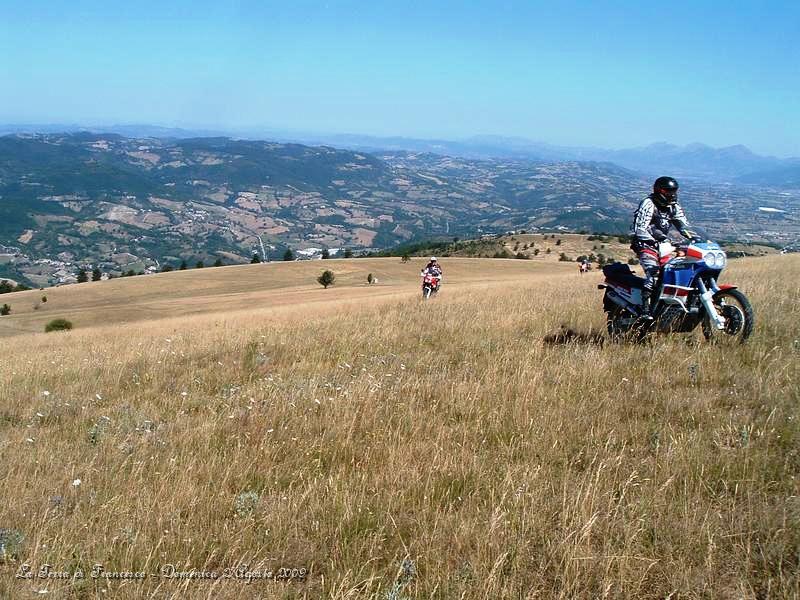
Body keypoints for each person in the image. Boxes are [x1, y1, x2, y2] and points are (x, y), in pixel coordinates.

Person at [630, 176, 698, 318]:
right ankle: (645, 309)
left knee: (672, 272)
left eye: (674, 191)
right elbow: (640, 228)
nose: (672, 194)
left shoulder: (674, 206)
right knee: (653, 273)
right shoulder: (649, 204)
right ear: (659, 190)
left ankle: (669, 306)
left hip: (663, 245)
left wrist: (695, 238)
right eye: (668, 191)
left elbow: (683, 225)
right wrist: (655, 240)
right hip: (645, 244)